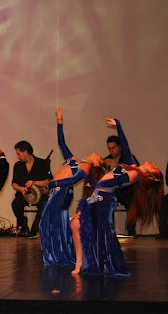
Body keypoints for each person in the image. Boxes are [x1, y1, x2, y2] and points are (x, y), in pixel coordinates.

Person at [72, 118, 163, 276]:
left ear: (150, 175)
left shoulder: (135, 175)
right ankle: (80, 262)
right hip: (98, 196)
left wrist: (93, 182)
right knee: (77, 226)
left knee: (90, 230)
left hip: (102, 201)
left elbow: (113, 181)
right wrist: (119, 126)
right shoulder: (133, 166)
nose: (153, 163)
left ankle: (88, 263)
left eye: (154, 168)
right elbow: (126, 147)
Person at [39, 107, 105, 267]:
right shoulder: (77, 159)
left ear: (96, 163)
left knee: (47, 224)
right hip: (57, 192)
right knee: (51, 224)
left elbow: (76, 178)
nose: (99, 154)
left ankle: (59, 255)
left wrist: (53, 183)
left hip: (61, 193)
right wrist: (59, 122)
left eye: (100, 158)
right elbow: (62, 143)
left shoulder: (87, 166)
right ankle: (59, 254)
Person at [11, 140, 52, 237]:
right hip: (23, 194)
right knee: (16, 204)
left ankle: (35, 229)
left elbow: (49, 181)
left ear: (25, 152)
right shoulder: (18, 166)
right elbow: (14, 184)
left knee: (44, 205)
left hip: (39, 194)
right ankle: (23, 226)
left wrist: (34, 183)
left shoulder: (41, 163)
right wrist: (21, 188)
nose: (17, 157)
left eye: (19, 154)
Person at [104, 134, 140, 236]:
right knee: (106, 201)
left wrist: (119, 167)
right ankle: (110, 232)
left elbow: (137, 172)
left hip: (127, 190)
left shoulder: (128, 158)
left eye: (113, 148)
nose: (111, 151)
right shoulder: (106, 160)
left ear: (119, 146)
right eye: (109, 148)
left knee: (131, 200)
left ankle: (131, 232)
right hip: (113, 190)